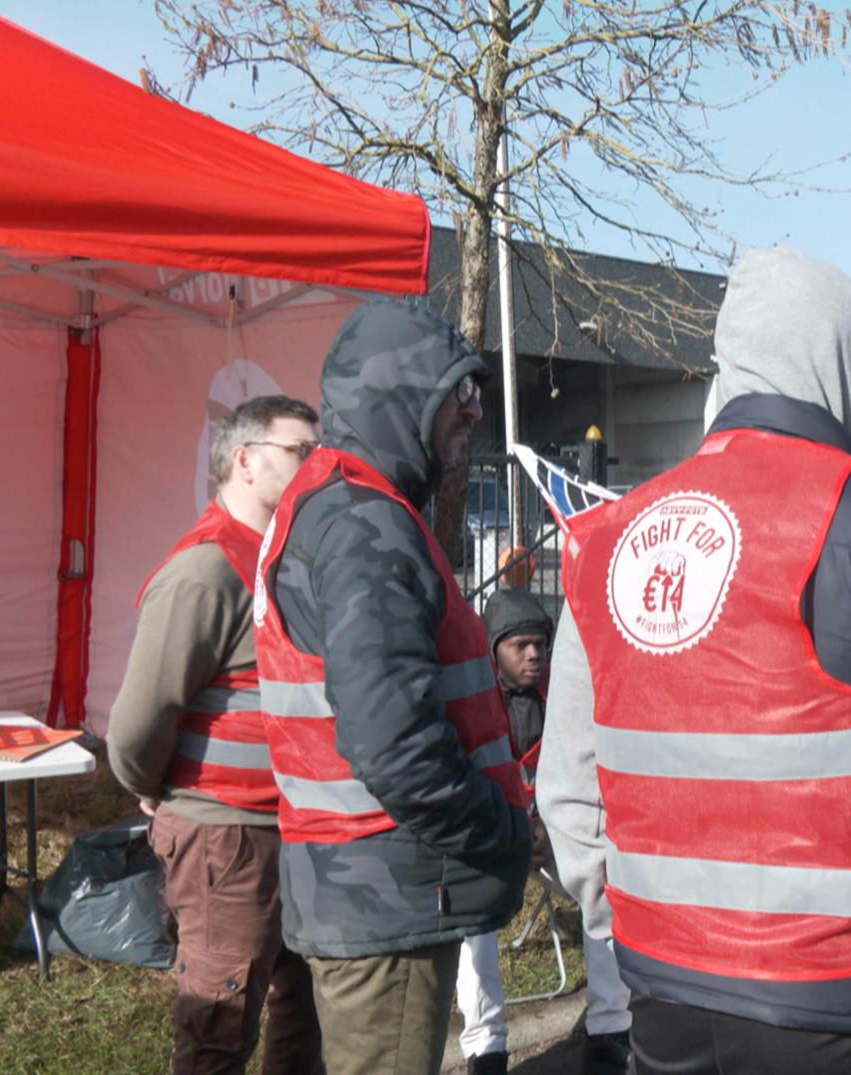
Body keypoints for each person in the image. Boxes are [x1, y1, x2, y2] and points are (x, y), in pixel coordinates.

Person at [539, 246, 851, 1075]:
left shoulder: (609, 540)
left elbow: (567, 789)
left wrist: (626, 922)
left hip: (666, 992)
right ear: (847, 365)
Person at [252, 299, 534, 1075]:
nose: (473, 409)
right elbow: (394, 741)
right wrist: (501, 828)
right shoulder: (364, 525)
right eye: (457, 390)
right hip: (389, 899)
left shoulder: (336, 503)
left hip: (364, 888)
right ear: (398, 391)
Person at [107, 394, 324, 1075]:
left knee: (305, 1013)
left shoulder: (282, 559)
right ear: (245, 460)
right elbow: (136, 726)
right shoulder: (205, 570)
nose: (316, 467)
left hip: (298, 831)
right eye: (301, 452)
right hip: (228, 838)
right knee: (218, 1031)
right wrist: (154, 785)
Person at [454, 589, 633, 1075]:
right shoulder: (477, 703)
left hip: (555, 839)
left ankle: (609, 1031)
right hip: (499, 838)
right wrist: (515, 826)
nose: (535, 655)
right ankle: (484, 1047)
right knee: (477, 919)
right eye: (520, 646)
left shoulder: (563, 695)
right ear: (494, 651)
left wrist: (549, 830)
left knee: (605, 884)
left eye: (541, 645)